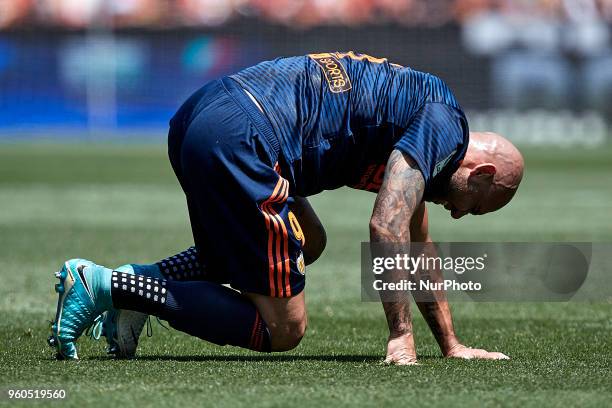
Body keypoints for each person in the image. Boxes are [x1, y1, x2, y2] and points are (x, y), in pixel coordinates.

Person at [48, 52, 523, 363]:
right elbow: (387, 224)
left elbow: (417, 243)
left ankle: (135, 283)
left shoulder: (424, 117)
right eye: (474, 207)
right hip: (245, 138)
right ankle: (108, 285)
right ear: (481, 174)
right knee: (284, 328)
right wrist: (401, 334)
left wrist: (451, 345)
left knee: (302, 241)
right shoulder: (446, 125)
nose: (458, 214)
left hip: (204, 114)